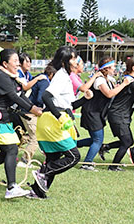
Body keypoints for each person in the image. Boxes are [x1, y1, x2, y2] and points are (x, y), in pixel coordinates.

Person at [0, 48, 42, 199]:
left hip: (4, 118)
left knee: (7, 151)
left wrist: (33, 107)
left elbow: (20, 95)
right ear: (5, 63)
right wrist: (32, 108)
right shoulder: (0, 77)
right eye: (15, 61)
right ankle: (11, 187)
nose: (19, 64)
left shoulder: (10, 76)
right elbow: (13, 96)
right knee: (11, 150)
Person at [29, 46, 94, 199]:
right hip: (52, 121)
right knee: (73, 157)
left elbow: (70, 106)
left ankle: (37, 192)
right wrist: (59, 116)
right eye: (73, 58)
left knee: (54, 158)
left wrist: (86, 99)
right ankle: (43, 173)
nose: (77, 61)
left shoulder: (66, 76)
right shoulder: (62, 76)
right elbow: (46, 96)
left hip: (52, 120)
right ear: (65, 61)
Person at [98, 57, 134, 171]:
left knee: (128, 141)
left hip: (121, 115)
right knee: (127, 142)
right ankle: (113, 166)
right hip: (117, 115)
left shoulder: (132, 79)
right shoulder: (131, 82)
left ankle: (106, 147)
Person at [77, 56, 132, 171]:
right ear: (106, 69)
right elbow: (109, 94)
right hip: (92, 112)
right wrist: (124, 84)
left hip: (97, 112)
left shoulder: (108, 79)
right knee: (98, 140)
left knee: (94, 139)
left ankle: (70, 147)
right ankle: (87, 163)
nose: (115, 69)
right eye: (113, 67)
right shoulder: (100, 80)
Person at [16, 53, 48, 167]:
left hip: (24, 107)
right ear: (20, 63)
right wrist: (38, 78)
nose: (29, 64)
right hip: (19, 108)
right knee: (34, 136)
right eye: (27, 61)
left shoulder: (27, 74)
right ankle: (24, 160)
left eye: (30, 61)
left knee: (25, 135)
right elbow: (25, 87)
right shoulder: (17, 73)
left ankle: (12, 154)